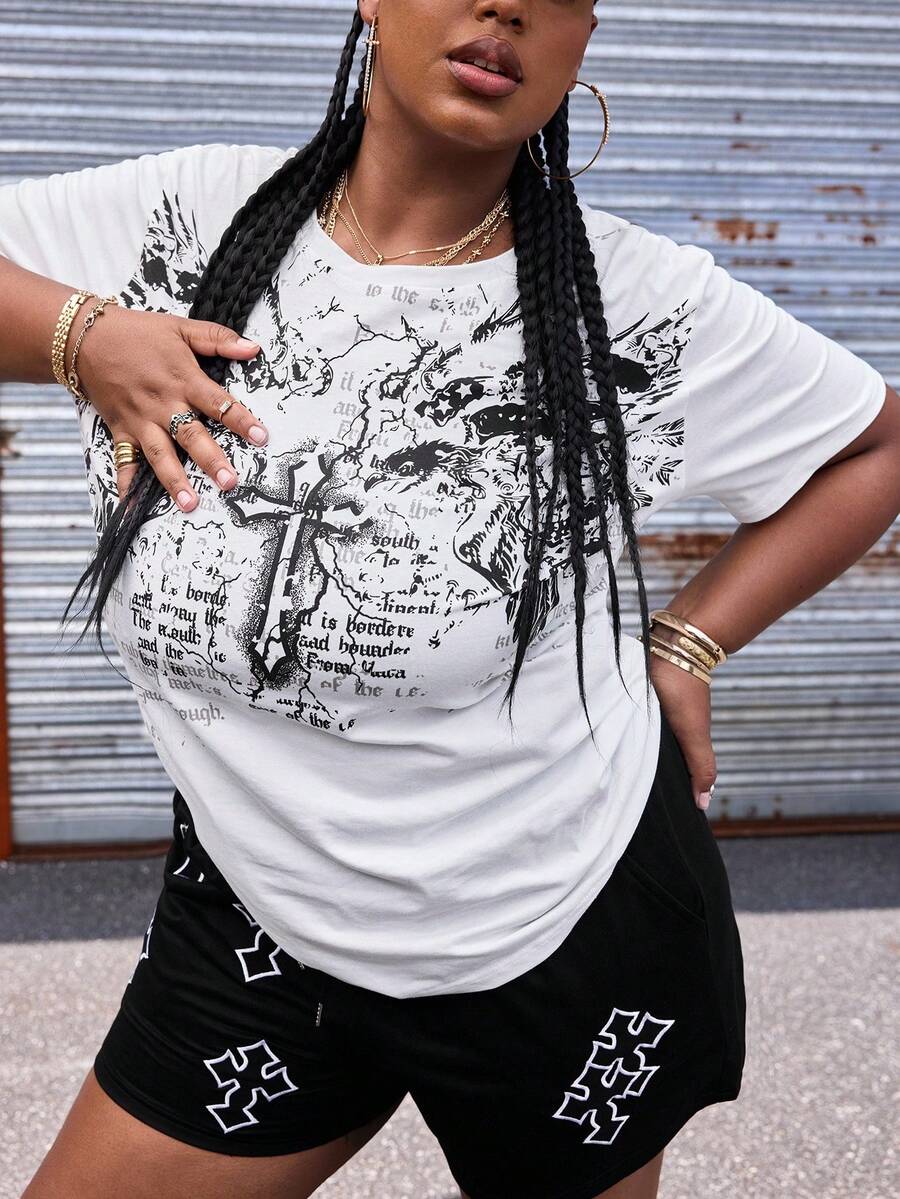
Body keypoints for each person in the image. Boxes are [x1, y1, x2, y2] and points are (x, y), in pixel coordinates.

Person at [2, 3, 897, 1197]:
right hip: (261, 913)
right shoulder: (181, 222)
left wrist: (689, 640)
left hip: (561, 929)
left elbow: (872, 446)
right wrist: (82, 336)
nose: (506, 6)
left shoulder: (636, 303)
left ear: (585, 37)